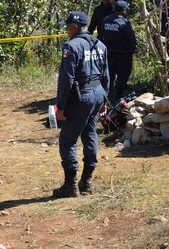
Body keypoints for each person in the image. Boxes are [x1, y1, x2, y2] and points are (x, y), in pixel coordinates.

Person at [54, 11, 109, 198]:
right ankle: (86, 181)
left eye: (68, 26)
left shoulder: (72, 46)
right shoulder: (100, 45)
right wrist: (104, 101)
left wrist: (60, 107)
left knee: (68, 139)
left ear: (75, 27)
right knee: (90, 133)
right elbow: (106, 75)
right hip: (98, 94)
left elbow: (66, 80)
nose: (66, 30)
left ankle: (70, 185)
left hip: (81, 97)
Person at [98, 0, 136, 99]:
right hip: (123, 53)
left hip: (109, 52)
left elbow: (101, 35)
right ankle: (119, 95)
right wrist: (132, 50)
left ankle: (107, 93)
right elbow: (131, 38)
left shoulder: (106, 20)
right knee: (122, 74)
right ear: (123, 10)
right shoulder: (125, 22)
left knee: (109, 73)